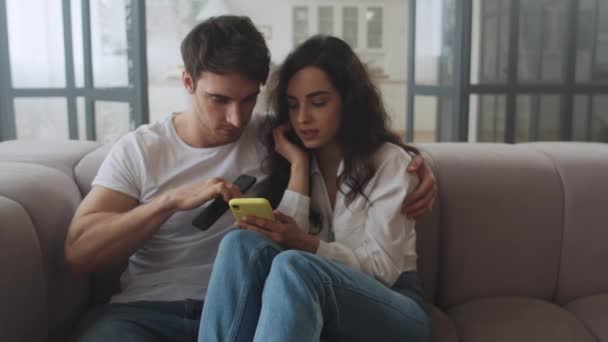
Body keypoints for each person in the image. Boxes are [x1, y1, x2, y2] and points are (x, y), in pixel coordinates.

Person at [66, 16, 435, 342]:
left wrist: (417, 165)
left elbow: (364, 146)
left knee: (245, 243)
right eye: (219, 99)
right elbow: (79, 253)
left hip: (245, 307)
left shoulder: (274, 138)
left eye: (248, 100)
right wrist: (169, 202)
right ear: (188, 82)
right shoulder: (140, 150)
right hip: (146, 311)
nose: (236, 119)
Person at [198, 35, 431, 342]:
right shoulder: (302, 162)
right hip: (316, 293)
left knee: (295, 265)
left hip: (396, 306)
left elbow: (382, 271)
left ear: (348, 101)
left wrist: (307, 244)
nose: (303, 118)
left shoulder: (390, 164)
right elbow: (284, 248)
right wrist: (299, 166)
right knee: (239, 243)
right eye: (293, 106)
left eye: (318, 103)